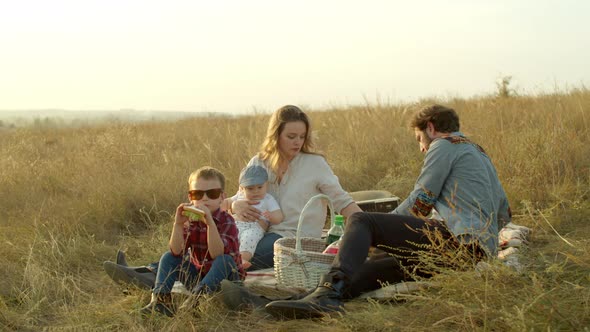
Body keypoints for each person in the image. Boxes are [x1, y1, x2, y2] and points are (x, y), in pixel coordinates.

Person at [264, 104, 512, 319]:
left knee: (362, 220)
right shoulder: (478, 152)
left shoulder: (443, 145)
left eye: (419, 139)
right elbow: (504, 213)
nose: (422, 148)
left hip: (457, 243)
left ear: (431, 128)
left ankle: (325, 294)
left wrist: (376, 231)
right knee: (378, 267)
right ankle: (308, 300)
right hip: (473, 255)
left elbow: (421, 201)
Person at [103, 105, 362, 286]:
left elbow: (343, 201)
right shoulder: (259, 162)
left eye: (301, 137)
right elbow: (232, 201)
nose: (297, 142)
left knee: (229, 253)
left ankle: (150, 274)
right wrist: (237, 205)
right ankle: (148, 270)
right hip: (252, 230)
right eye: (291, 136)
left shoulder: (315, 164)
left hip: (291, 240)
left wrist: (368, 228)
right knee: (204, 239)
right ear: (276, 136)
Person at [140, 166, 244, 317]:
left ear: (222, 197)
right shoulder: (191, 220)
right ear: (190, 197)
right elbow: (176, 251)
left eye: (212, 193)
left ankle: (195, 301)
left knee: (224, 260)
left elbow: (217, 254)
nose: (205, 198)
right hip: (200, 278)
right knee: (168, 257)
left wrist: (210, 224)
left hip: (227, 280)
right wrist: (178, 224)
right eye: (198, 194)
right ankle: (161, 301)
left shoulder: (227, 221)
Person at [228, 165, 283, 269]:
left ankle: (243, 259)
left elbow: (279, 217)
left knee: (248, 240)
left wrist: (270, 216)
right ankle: (224, 257)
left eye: (259, 187)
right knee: (228, 237)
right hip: (236, 224)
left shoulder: (268, 199)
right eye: (250, 188)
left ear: (266, 185)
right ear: (241, 188)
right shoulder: (239, 196)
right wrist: (232, 205)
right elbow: (225, 203)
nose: (256, 191)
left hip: (254, 227)